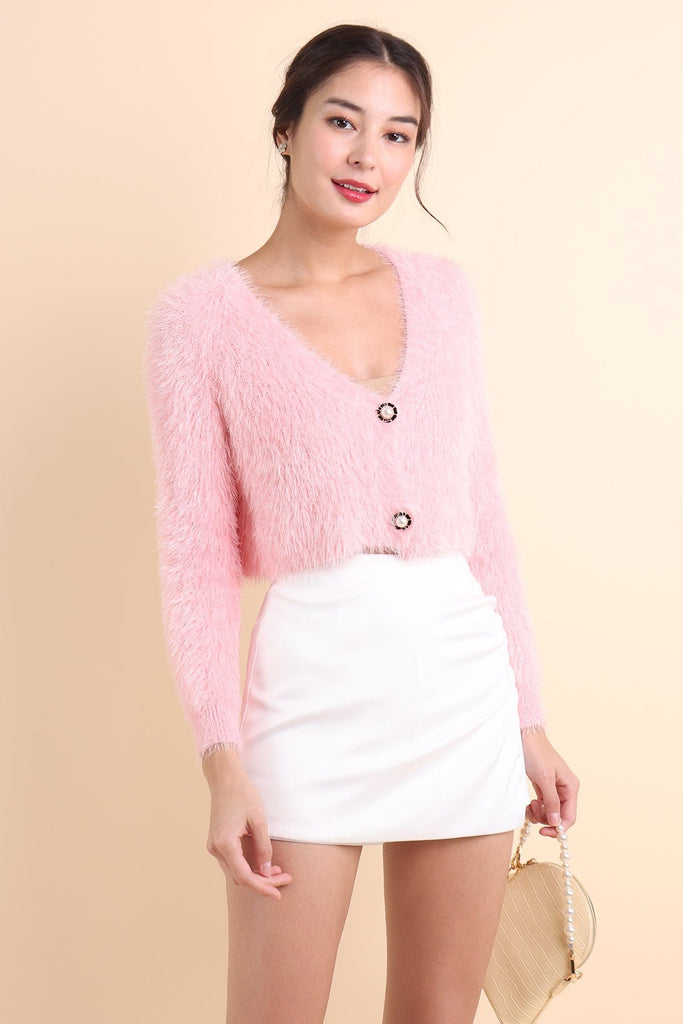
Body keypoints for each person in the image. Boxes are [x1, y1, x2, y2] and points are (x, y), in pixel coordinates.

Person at [143, 22, 580, 1024]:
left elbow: (485, 518)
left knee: (437, 1015)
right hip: (311, 692)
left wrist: (527, 720)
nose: (365, 156)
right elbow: (194, 555)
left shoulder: (442, 293)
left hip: (461, 691)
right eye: (342, 122)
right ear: (286, 128)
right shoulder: (198, 319)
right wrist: (221, 760)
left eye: (397, 134)